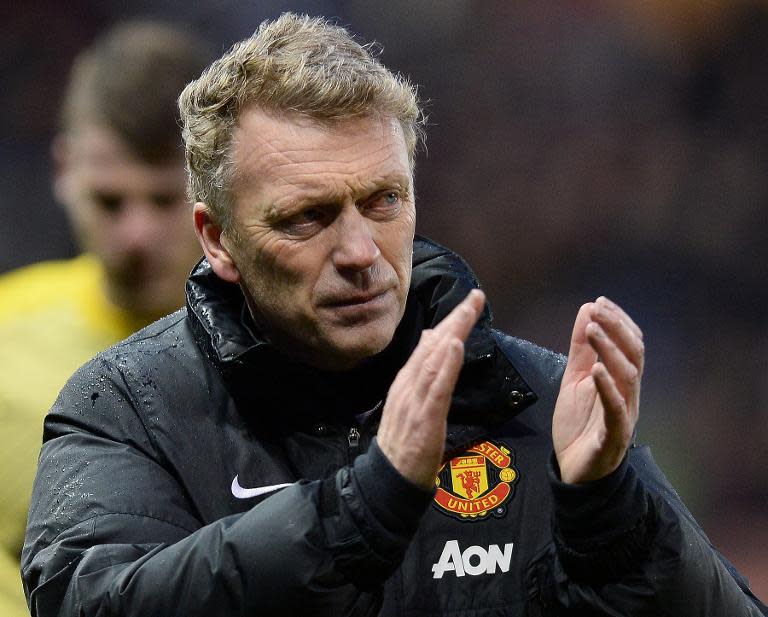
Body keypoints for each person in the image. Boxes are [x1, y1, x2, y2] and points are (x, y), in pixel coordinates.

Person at [21, 13, 767, 616]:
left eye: (383, 201)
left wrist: (609, 515)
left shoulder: (532, 401)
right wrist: (360, 509)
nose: (359, 250)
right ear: (217, 238)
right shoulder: (125, 412)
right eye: (308, 216)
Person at [0, 21, 210, 617]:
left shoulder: (292, 346)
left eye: (165, 198)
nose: (136, 234)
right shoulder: (4, 337)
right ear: (65, 171)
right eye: (110, 200)